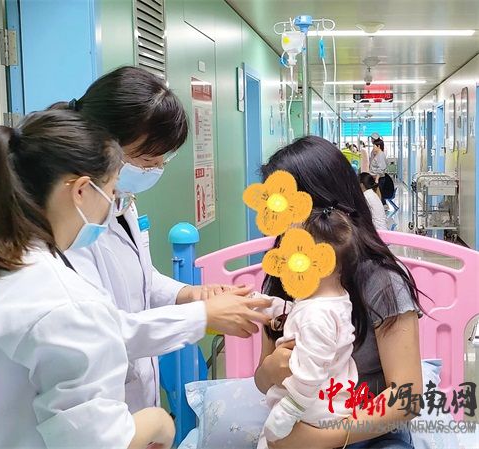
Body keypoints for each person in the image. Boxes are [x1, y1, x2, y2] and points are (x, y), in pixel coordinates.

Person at [0, 110, 174, 449]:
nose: (112, 208)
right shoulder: (68, 304)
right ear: (81, 191)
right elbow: (100, 444)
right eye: (112, 194)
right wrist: (159, 423)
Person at [51, 66, 271, 412]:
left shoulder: (120, 199)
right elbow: (94, 331)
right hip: (94, 403)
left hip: (130, 396)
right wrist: (201, 316)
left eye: (161, 160)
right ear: (103, 143)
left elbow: (141, 280)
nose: (154, 170)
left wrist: (189, 294)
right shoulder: (67, 222)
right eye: (145, 159)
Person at [255, 136, 424, 449]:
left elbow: (407, 397)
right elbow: (263, 378)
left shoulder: (382, 281)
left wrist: (323, 438)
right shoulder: (283, 276)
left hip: (369, 432)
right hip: (296, 422)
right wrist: (269, 371)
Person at [255, 208, 359, 449]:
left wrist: (287, 411)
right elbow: (296, 312)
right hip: (327, 405)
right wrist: (265, 304)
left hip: (309, 410)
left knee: (269, 440)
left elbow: (311, 372)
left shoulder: (316, 316)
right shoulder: (333, 300)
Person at [369, 137, 389, 207]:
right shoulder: (378, 154)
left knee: (379, 194)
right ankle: (381, 206)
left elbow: (381, 168)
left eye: (374, 146)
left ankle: (383, 206)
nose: (373, 148)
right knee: (378, 194)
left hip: (378, 179)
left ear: (378, 146)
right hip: (376, 178)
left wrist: (377, 179)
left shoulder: (380, 155)